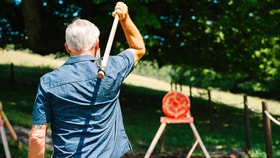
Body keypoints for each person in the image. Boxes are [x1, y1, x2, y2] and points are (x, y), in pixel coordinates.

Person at [28, 2, 145, 158]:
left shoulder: (48, 82)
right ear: (96, 44)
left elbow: (37, 136)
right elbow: (138, 48)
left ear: (67, 47)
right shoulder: (113, 69)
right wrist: (125, 18)